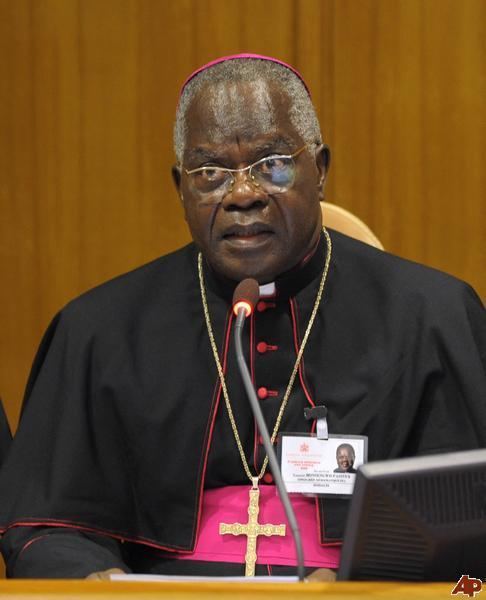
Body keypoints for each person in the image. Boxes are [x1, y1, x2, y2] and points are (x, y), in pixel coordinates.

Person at [0, 53, 485, 580]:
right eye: (210, 173)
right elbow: (43, 524)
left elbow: (466, 531)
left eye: (273, 164)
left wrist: (363, 584)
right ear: (179, 188)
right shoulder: (99, 330)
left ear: (319, 171)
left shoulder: (433, 318)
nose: (243, 195)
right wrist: (102, 585)